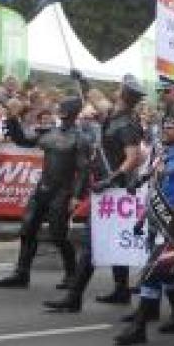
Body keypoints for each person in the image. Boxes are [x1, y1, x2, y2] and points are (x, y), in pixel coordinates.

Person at [43, 75, 145, 312]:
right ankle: (121, 290)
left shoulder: (127, 124)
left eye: (119, 89)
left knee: (93, 242)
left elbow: (133, 159)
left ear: (122, 94)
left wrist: (109, 180)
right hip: (108, 188)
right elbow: (96, 97)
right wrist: (82, 81)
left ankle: (74, 296)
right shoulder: (113, 114)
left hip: (114, 191)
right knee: (114, 239)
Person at [112, 110, 174, 346]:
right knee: (167, 272)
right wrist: (142, 217)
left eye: (172, 125)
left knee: (152, 270)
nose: (166, 129)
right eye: (165, 125)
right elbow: (154, 187)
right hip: (157, 217)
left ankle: (139, 327)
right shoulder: (161, 152)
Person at [0, 97, 88, 290]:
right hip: (42, 189)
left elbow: (83, 171)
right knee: (27, 231)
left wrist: (76, 196)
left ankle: (72, 274)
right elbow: (23, 140)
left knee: (58, 235)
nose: (58, 110)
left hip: (62, 192)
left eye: (62, 108)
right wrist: (12, 119)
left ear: (70, 112)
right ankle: (21, 273)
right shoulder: (50, 133)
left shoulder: (79, 139)